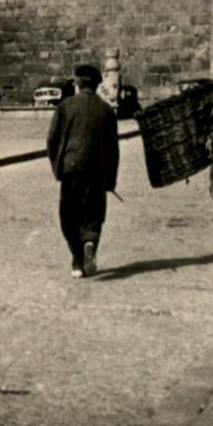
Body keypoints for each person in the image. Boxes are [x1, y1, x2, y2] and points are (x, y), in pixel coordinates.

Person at [46, 64, 120, 278]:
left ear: (77, 83)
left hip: (71, 168)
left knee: (68, 215)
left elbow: (52, 139)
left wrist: (58, 167)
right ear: (98, 85)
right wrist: (110, 179)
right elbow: (113, 149)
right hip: (96, 170)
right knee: (93, 213)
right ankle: (89, 243)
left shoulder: (65, 106)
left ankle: (77, 259)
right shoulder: (106, 110)